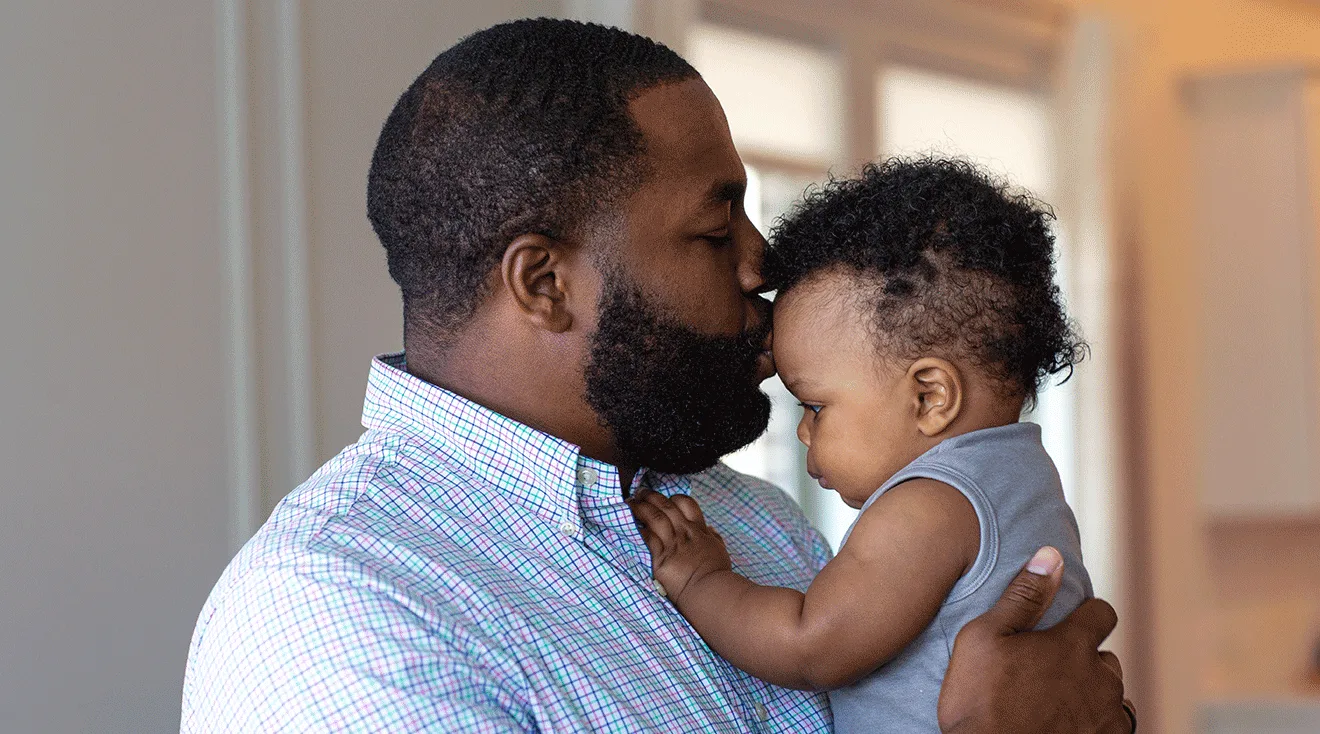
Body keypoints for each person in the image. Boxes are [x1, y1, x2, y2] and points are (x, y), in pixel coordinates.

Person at [181, 18, 1132, 732]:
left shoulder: (749, 522)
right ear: (545, 283)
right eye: (717, 230)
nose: (764, 265)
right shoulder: (347, 613)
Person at [629, 158, 1096, 733]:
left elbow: (812, 644)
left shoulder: (928, 508)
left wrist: (702, 580)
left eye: (815, 406)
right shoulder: (1024, 475)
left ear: (930, 397)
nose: (803, 431)